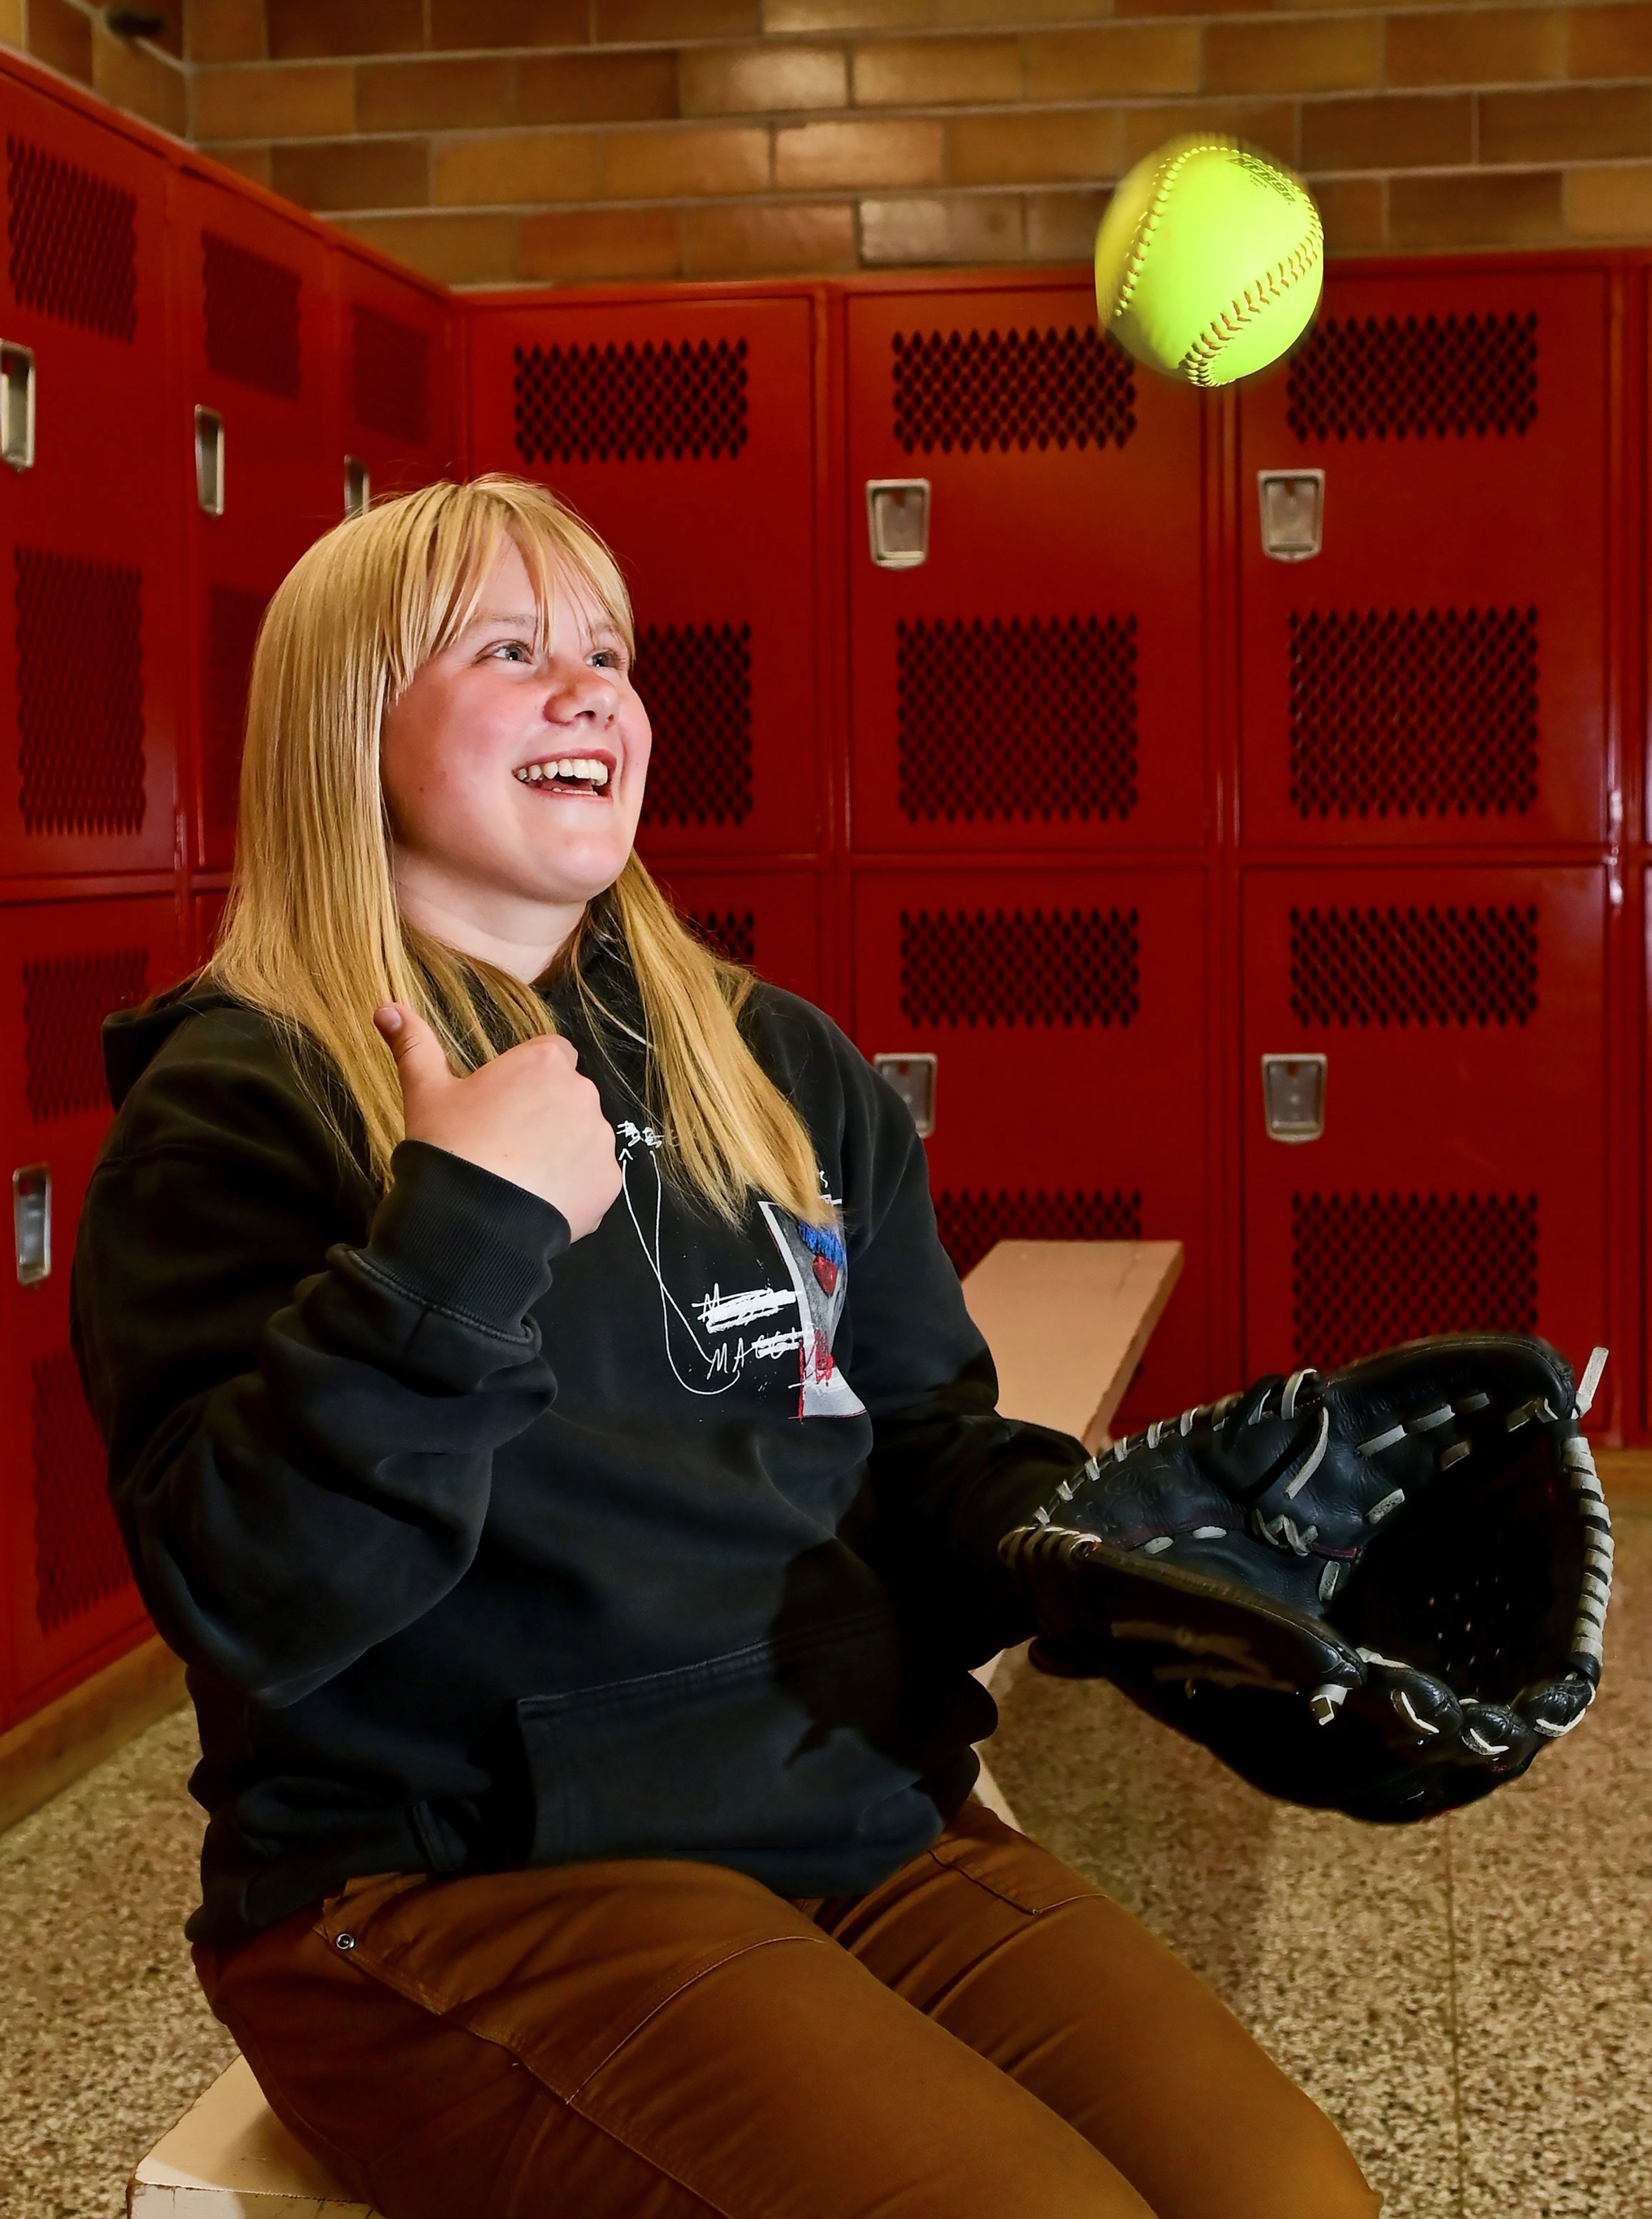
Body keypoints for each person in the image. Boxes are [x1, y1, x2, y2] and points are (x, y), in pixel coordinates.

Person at [71, 475, 1380, 2219]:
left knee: (1289, 2197)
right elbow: (253, 1595)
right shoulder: (245, 1101)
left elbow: (913, 1444)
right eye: (511, 650)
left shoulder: (770, 1063)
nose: (590, 692)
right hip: (459, 1877)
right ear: (345, 725)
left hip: (836, 1810)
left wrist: (1131, 1557)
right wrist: (461, 1230)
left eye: (608, 653)